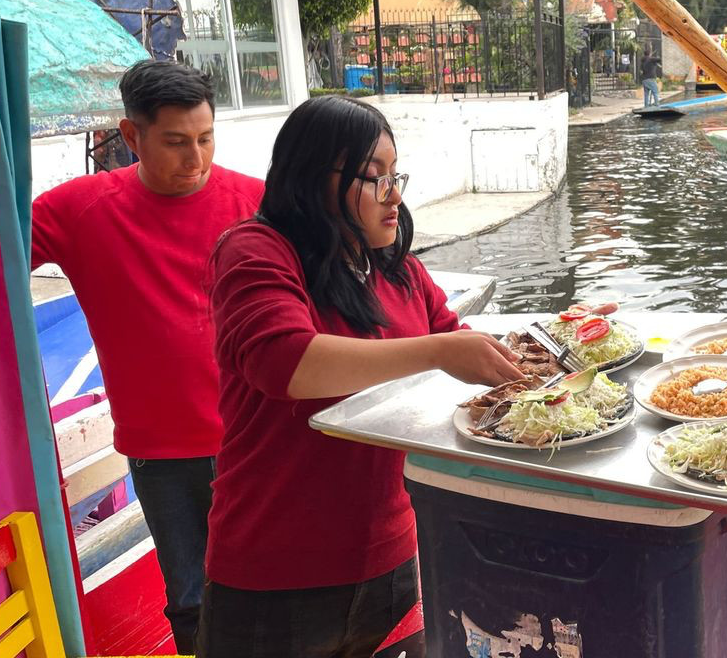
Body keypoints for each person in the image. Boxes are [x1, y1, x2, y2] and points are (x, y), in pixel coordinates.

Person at [198, 96, 524, 658]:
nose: (394, 194)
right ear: (311, 177)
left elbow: (459, 343)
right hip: (277, 566)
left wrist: (555, 354)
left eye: (395, 176)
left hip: (394, 553)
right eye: (373, 178)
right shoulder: (257, 251)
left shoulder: (397, 268)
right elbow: (286, 363)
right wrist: (438, 350)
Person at [30, 60, 265, 653]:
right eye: (177, 143)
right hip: (163, 452)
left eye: (206, 139)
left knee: (279, 588)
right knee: (191, 597)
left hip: (261, 438)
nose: (197, 159)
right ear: (131, 136)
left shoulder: (258, 203)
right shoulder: (77, 210)